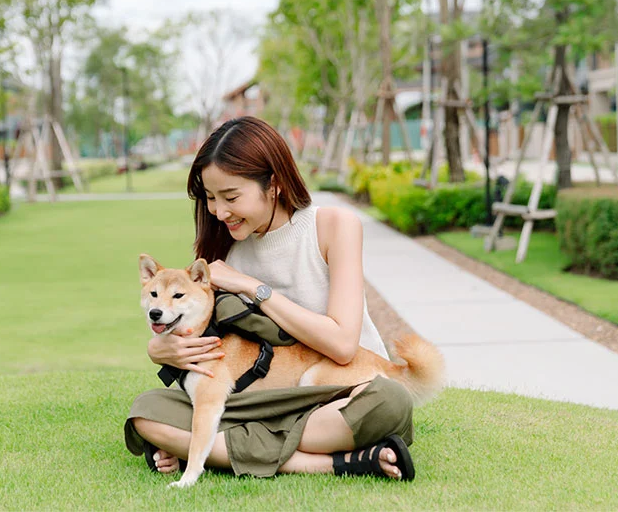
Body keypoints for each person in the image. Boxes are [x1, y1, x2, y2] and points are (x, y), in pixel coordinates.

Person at [124, 116, 415, 480]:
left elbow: (342, 345)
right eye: (210, 198)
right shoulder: (221, 250)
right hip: (255, 400)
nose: (219, 211)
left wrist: (251, 287)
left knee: (390, 402)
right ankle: (341, 461)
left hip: (338, 391)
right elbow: (202, 335)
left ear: (273, 185)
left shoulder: (334, 226)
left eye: (231, 197)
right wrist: (160, 349)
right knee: (146, 411)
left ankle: (208, 448)